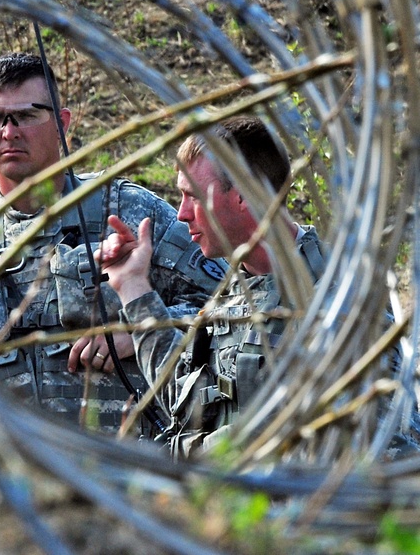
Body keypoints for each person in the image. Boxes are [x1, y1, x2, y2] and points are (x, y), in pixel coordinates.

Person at [0, 52, 226, 433]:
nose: (10, 132)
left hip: (126, 467)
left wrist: (142, 333)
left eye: (27, 115)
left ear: (61, 124)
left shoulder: (125, 211)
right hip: (12, 475)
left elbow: (230, 309)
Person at [96, 115, 329, 456]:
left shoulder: (332, 294)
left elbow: (317, 435)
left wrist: (191, 458)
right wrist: (132, 287)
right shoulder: (234, 290)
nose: (181, 214)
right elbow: (187, 401)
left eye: (192, 196)